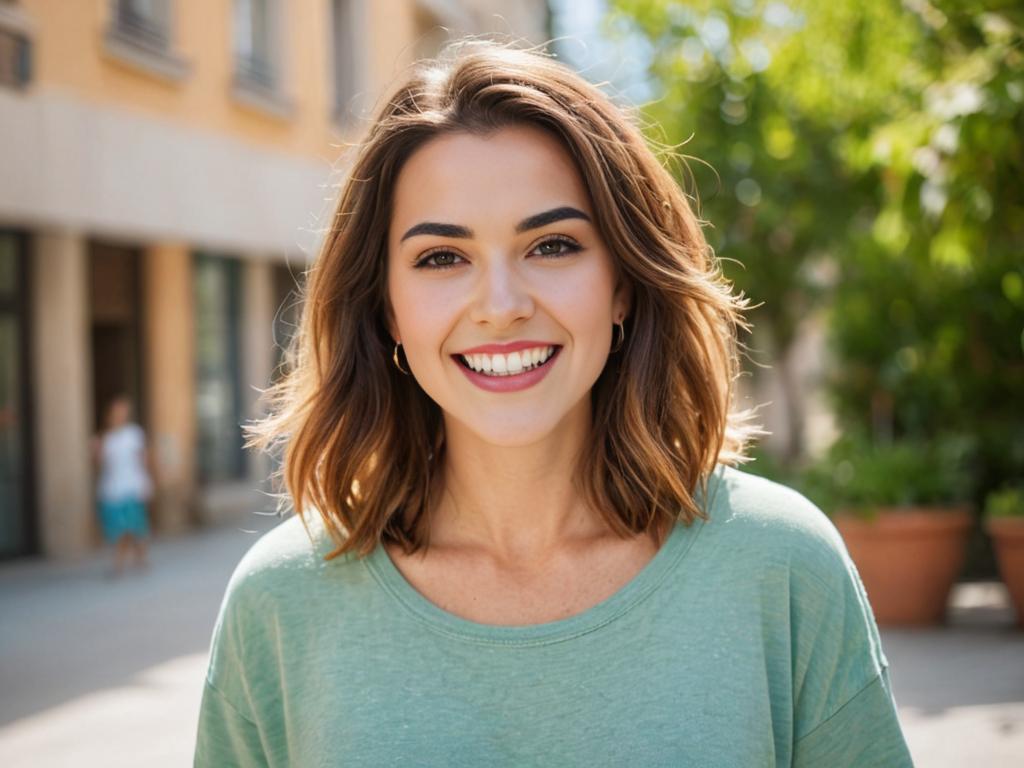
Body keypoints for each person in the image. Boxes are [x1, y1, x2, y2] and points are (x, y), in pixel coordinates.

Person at [195, 40, 914, 766]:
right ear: (386, 309)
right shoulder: (279, 604)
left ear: (624, 283)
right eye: (442, 257)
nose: (501, 307)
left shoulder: (782, 566)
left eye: (553, 246)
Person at [92, 394, 153, 576]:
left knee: (135, 527)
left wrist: (148, 481)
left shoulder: (134, 434)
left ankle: (135, 560)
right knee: (120, 529)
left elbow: (144, 459)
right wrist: (96, 452)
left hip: (132, 487)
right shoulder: (105, 438)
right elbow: (98, 465)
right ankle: (124, 563)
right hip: (112, 490)